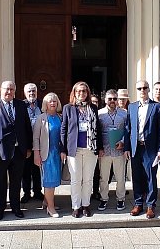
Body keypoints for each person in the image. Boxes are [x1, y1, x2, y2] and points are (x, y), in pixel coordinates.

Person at [0, 81, 33, 221]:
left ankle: (16, 207)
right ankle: (0, 209)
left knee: (16, 181)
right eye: (6, 89)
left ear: (15, 91)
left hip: (19, 151)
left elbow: (27, 127)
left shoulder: (21, 105)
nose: (9, 92)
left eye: (11, 89)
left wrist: (28, 147)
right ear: (1, 89)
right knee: (0, 182)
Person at [60, 81, 104, 218]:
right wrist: (62, 149)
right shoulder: (68, 108)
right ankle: (76, 206)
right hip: (74, 149)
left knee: (88, 179)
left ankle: (86, 205)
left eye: (84, 91)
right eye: (78, 91)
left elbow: (98, 129)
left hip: (91, 149)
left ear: (87, 93)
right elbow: (64, 129)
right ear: (74, 93)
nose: (81, 93)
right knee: (75, 179)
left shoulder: (93, 108)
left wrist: (100, 147)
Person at [124, 80, 160, 219]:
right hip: (136, 148)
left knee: (150, 177)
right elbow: (128, 129)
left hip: (150, 149)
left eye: (145, 88)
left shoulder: (157, 107)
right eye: (139, 88)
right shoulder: (132, 107)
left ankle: (150, 206)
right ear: (137, 90)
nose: (142, 90)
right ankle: (138, 204)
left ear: (148, 90)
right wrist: (127, 148)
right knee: (136, 177)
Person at [33, 92, 62, 218]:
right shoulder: (41, 118)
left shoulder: (60, 117)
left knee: (54, 180)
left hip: (57, 153)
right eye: (50, 101)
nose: (52, 103)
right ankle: (50, 208)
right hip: (46, 154)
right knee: (48, 181)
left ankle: (47, 201)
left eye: (55, 101)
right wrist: (36, 154)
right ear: (45, 103)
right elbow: (36, 138)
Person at [97, 89, 127, 212]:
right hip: (104, 150)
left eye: (115, 99)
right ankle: (104, 198)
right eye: (110, 99)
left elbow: (128, 130)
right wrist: (99, 148)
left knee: (120, 177)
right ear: (105, 100)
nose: (113, 101)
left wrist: (123, 142)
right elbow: (97, 132)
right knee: (104, 177)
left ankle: (121, 199)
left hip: (119, 150)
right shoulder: (99, 114)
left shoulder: (124, 114)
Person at [21, 83, 44, 203]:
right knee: (25, 170)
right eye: (29, 91)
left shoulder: (41, 104)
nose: (31, 93)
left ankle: (37, 191)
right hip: (26, 142)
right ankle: (26, 192)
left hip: (40, 142)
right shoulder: (21, 105)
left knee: (37, 168)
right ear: (25, 93)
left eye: (33, 91)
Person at [91, 93, 101, 201]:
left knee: (97, 172)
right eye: (92, 101)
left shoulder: (101, 114)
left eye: (96, 102)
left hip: (98, 147)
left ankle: (96, 191)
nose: (94, 103)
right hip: (88, 147)